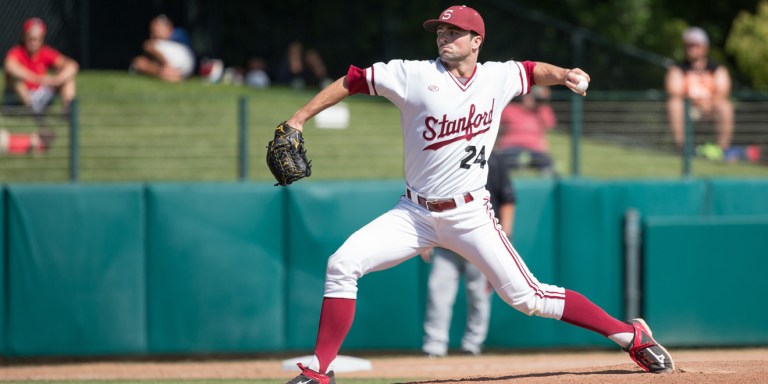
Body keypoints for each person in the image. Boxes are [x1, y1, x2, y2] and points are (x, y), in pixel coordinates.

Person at [281, 6, 674, 384]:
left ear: (476, 41)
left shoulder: (495, 78)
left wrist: (566, 73)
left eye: (453, 32)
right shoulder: (411, 75)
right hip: (413, 214)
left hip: (470, 214)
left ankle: (630, 336)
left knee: (529, 298)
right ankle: (320, 368)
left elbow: (532, 71)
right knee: (342, 263)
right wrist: (298, 119)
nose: (444, 37)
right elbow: (352, 80)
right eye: (440, 31)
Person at [422, 152, 515, 357]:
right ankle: (434, 346)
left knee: (479, 296)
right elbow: (425, 197)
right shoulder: (444, 156)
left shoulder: (493, 159)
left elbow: (507, 199)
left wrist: (505, 237)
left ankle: (472, 345)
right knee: (438, 294)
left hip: (480, 242)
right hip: (446, 244)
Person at [665, 26, 734, 157]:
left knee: (725, 106)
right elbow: (675, 92)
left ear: (705, 46)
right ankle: (682, 148)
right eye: (688, 45)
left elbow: (723, 92)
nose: (691, 48)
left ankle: (722, 150)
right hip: (689, 109)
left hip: (712, 108)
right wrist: (695, 103)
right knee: (674, 104)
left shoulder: (717, 69)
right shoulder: (677, 69)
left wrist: (709, 104)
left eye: (695, 45)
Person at [3, 17, 78, 116]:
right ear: (24, 37)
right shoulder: (17, 52)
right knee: (15, 79)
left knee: (68, 79)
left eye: (37, 39)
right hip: (19, 98)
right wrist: (39, 79)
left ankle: (68, 113)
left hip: (40, 94)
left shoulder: (45, 52)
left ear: (42, 39)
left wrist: (57, 79)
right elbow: (9, 67)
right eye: (30, 38)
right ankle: (32, 111)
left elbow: (72, 65)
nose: (33, 43)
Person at [496, 85, 557, 176]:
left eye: (535, 98)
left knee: (545, 163)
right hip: (510, 147)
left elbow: (549, 124)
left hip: (535, 149)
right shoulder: (510, 109)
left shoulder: (541, 111)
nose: (532, 100)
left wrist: (542, 103)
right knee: (503, 161)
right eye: (530, 97)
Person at [131, 15, 195, 82]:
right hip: (185, 69)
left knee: (148, 45)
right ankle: (168, 74)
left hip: (180, 63)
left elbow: (149, 46)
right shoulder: (167, 43)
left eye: (155, 31)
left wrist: (167, 65)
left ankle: (168, 71)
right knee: (140, 63)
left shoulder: (178, 33)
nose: (153, 35)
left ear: (168, 28)